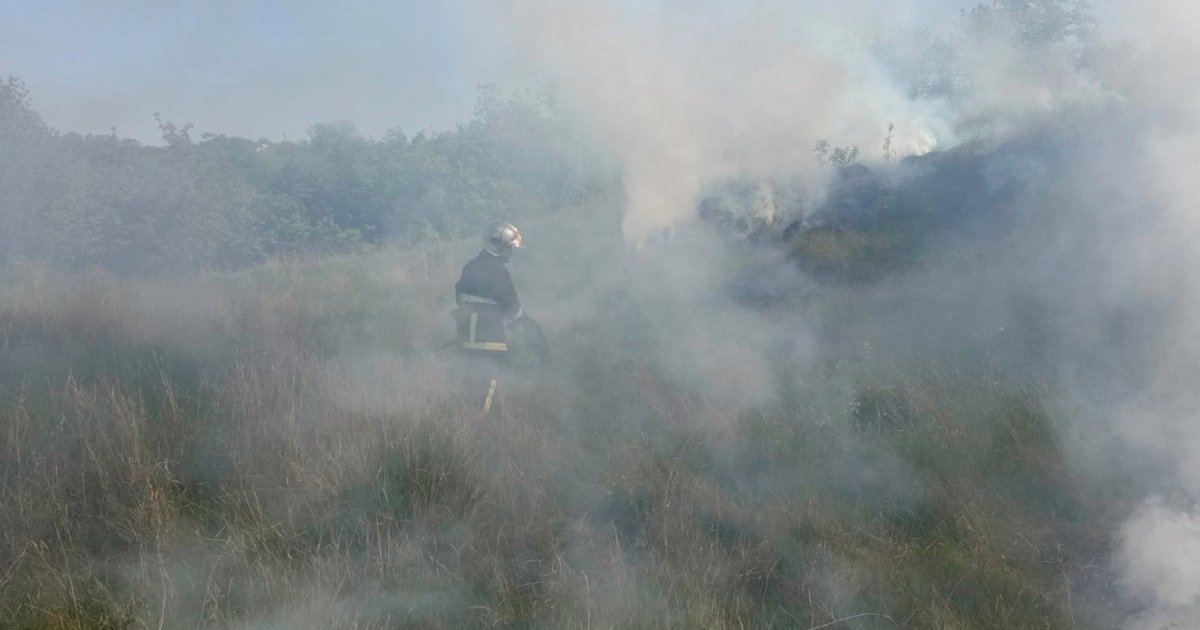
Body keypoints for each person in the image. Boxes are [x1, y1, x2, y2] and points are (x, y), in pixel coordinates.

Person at [453, 221, 525, 412]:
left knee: (469, 383)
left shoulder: (470, 266)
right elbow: (512, 306)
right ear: (498, 245)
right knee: (488, 386)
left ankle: (462, 419)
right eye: (509, 247)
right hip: (490, 339)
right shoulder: (498, 271)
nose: (512, 252)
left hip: (466, 338)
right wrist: (521, 320)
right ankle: (480, 423)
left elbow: (459, 297)